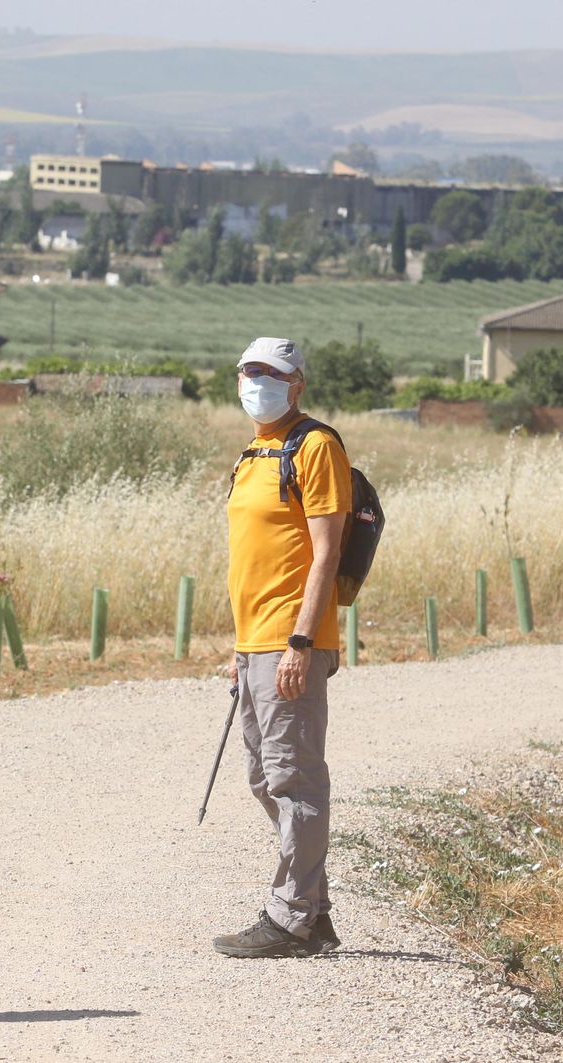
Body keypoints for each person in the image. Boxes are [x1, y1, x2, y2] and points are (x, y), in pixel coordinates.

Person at [212, 337, 351, 959]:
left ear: (297, 383)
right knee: (263, 777)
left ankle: (291, 916)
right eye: (248, 371)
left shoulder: (315, 445)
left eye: (269, 373)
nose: (255, 382)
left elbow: (326, 552)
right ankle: (313, 911)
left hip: (292, 639)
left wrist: (299, 641)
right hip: (256, 642)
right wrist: (242, 648)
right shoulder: (255, 453)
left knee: (294, 779)